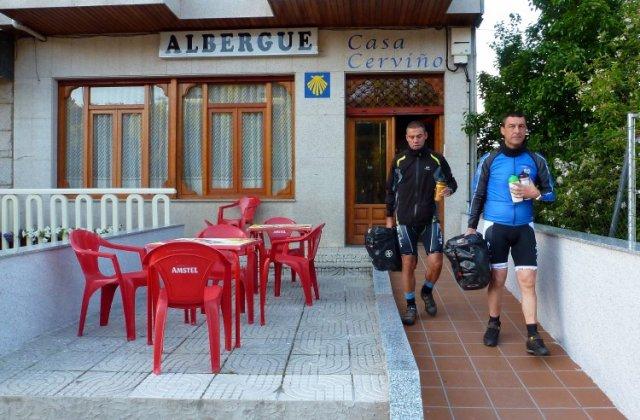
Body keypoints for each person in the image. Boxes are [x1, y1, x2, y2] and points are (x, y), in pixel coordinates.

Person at [466, 112, 556, 356]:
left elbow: (551, 194)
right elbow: (478, 195)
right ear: (502, 130)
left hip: (524, 227)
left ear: (526, 130)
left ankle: (532, 335)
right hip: (496, 226)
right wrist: (471, 228)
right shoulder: (490, 159)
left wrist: (535, 194)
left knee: (528, 281)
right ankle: (493, 324)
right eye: (512, 126)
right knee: (497, 278)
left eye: (521, 126)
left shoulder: (536, 160)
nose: (517, 130)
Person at [385, 120, 458, 326]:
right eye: (411, 137)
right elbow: (390, 191)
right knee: (409, 263)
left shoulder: (436, 159)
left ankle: (426, 291)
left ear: (425, 136)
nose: (415, 140)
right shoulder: (399, 160)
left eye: (418, 136)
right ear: (406, 138)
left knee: (436, 262)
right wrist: (389, 218)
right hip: (405, 220)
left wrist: (449, 190)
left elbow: (452, 181)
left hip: (430, 219)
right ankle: (410, 306)